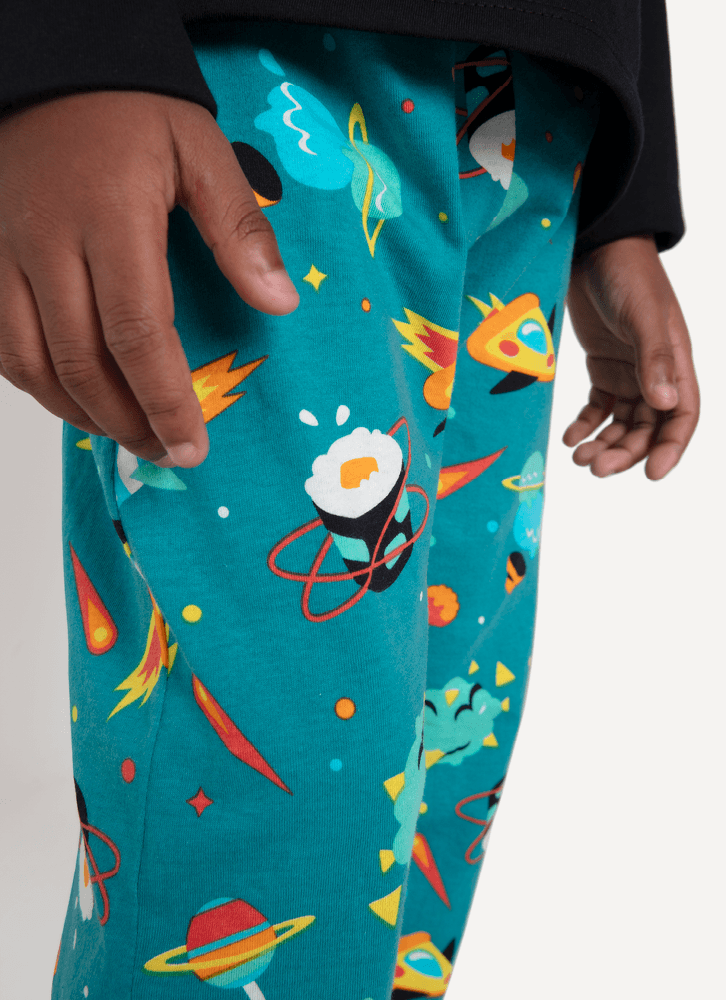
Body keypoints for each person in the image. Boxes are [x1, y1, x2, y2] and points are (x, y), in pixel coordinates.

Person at [0, 2, 699, 999]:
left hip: (543, 111)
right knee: (283, 801)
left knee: (428, 791)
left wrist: (627, 192)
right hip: (249, 80)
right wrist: (66, 44)